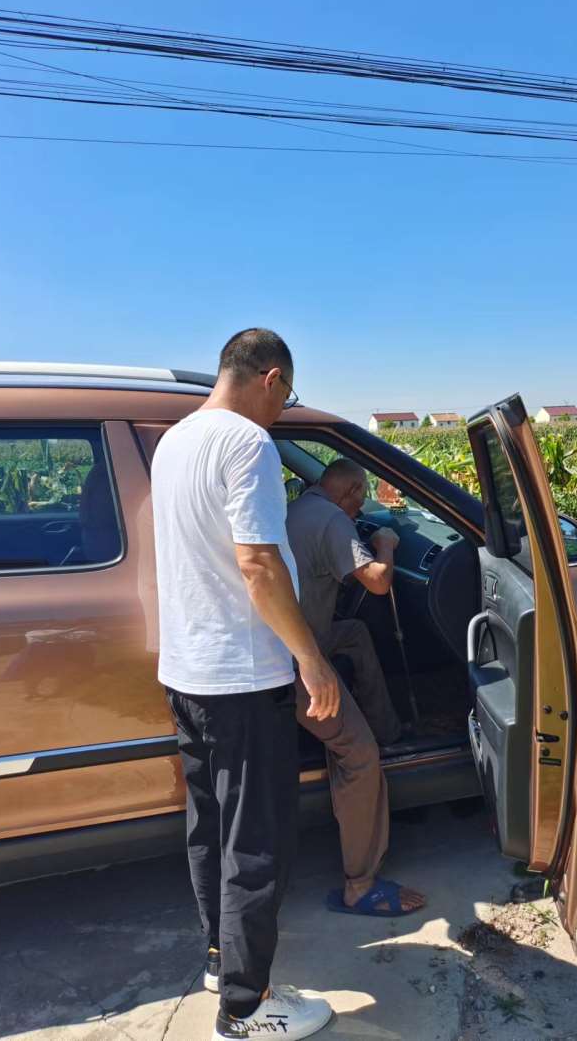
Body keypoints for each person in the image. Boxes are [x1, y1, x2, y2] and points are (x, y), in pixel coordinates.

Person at [151, 328, 336, 1041]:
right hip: (243, 677)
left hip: (187, 672)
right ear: (270, 378)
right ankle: (246, 1009)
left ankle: (220, 960)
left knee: (209, 830)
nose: (282, 410)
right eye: (285, 396)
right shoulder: (248, 444)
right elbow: (258, 565)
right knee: (256, 843)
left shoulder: (174, 442)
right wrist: (310, 658)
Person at [286, 459, 426, 918]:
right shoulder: (332, 520)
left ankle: (388, 728)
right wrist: (384, 544)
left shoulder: (301, 506)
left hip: (305, 635)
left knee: (356, 635)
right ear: (351, 491)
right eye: (360, 500)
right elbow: (378, 583)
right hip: (297, 661)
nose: (359, 509)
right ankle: (360, 883)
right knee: (359, 756)